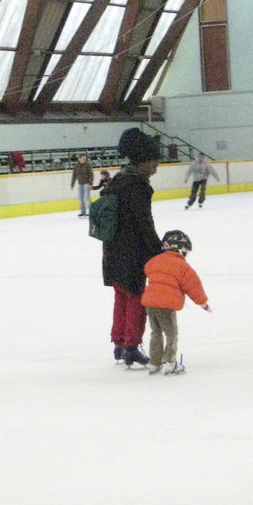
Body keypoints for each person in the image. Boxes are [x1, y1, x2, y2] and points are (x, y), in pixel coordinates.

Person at [101, 129, 161, 367]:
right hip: (132, 252)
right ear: (144, 160)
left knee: (121, 297)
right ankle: (131, 346)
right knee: (136, 298)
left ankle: (119, 342)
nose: (155, 169)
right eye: (154, 165)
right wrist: (158, 251)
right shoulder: (138, 186)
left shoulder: (117, 181)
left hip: (112, 251)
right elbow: (144, 223)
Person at [141, 229, 211, 375]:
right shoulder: (183, 267)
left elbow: (147, 269)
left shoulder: (154, 261)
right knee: (171, 334)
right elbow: (193, 287)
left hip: (150, 304)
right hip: (166, 306)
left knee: (156, 332)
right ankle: (170, 362)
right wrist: (203, 303)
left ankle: (154, 362)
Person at [70, 153, 94, 217]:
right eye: (83, 158)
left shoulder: (87, 165)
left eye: (85, 159)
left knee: (87, 198)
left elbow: (91, 175)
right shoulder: (76, 166)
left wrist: (90, 183)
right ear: (79, 159)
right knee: (80, 199)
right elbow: (74, 176)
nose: (84, 160)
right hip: (80, 184)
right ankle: (83, 212)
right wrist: (72, 184)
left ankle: (92, 212)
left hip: (87, 184)